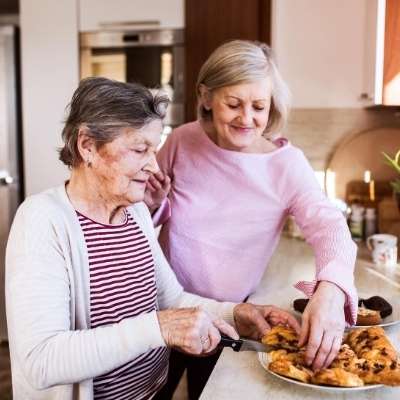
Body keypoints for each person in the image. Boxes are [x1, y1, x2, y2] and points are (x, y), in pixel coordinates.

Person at [5, 77, 301, 400]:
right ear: (87, 145)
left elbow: (171, 300)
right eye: (139, 150)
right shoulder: (41, 221)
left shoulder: (136, 213)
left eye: (154, 150)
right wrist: (159, 328)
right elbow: (42, 360)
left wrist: (235, 314)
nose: (153, 165)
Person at [145, 40, 358, 399]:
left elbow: (329, 226)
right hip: (162, 308)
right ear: (206, 96)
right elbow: (140, 217)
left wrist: (333, 291)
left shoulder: (285, 165)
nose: (247, 119)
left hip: (229, 320)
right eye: (233, 104)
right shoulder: (181, 141)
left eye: (259, 106)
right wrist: (152, 205)